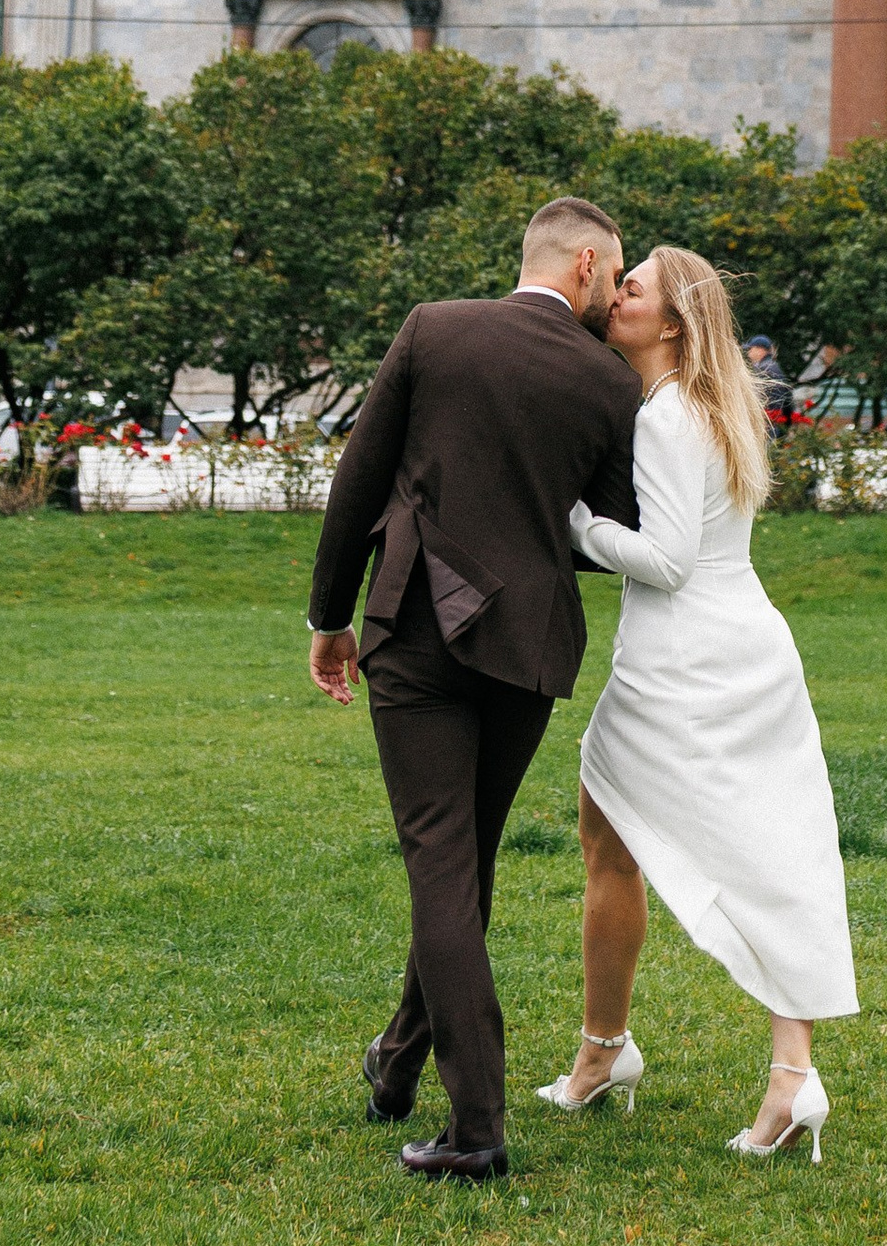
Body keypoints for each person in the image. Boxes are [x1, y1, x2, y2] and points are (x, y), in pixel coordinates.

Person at [306, 196, 639, 1182]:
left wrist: (329, 616)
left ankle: (477, 1126)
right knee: (464, 862)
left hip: (416, 629)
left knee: (442, 865)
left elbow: (358, 479)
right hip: (527, 647)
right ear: (584, 263)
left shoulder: (434, 329)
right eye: (616, 274)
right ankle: (397, 1057)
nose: (617, 294)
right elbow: (609, 533)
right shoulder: (608, 382)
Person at [540, 245, 857, 1160]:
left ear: (673, 323)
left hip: (682, 665)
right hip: (748, 645)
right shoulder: (716, 404)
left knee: (613, 838)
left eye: (633, 289)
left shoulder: (668, 414)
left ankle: (608, 1053)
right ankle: (782, 1071)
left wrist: (579, 524)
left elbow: (669, 562)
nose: (615, 296)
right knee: (772, 849)